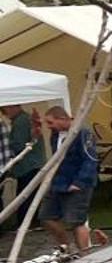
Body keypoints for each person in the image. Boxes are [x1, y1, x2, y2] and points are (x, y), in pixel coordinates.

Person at [42, 107, 99, 254]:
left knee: (76, 221)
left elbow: (90, 160)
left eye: (50, 122)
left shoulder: (83, 133)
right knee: (46, 217)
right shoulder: (55, 135)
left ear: (62, 119)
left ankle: (84, 256)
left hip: (77, 183)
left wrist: (79, 182)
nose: (48, 126)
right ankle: (67, 248)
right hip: (58, 182)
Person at [0, 105, 44, 227]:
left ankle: (26, 223)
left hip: (27, 164)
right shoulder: (25, 119)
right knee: (30, 195)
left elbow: (18, 145)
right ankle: (31, 222)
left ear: (12, 107)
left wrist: (10, 153)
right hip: (33, 163)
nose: (5, 114)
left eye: (5, 110)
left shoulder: (20, 121)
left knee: (25, 196)